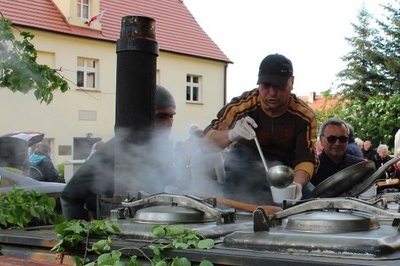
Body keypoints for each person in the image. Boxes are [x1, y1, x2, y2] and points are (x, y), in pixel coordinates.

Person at [203, 54, 318, 203]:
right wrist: (232, 134)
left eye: (279, 85)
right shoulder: (241, 106)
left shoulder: (304, 116)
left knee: (310, 198)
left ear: (292, 82)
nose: (272, 92)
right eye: (266, 85)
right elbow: (205, 144)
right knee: (238, 160)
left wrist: (297, 185)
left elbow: (306, 158)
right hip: (243, 173)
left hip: (286, 175)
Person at [61, 84, 178, 220]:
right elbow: (70, 196)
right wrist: (83, 234)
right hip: (118, 234)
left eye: (171, 116)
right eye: (161, 116)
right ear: (142, 116)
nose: (169, 123)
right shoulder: (113, 151)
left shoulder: (157, 150)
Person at [311, 118, 363, 186]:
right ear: (321, 139)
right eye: (332, 139)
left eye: (343, 139)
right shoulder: (312, 168)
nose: (337, 143)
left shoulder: (359, 166)